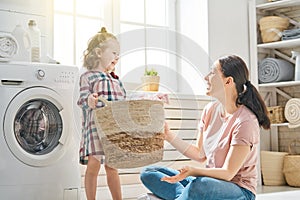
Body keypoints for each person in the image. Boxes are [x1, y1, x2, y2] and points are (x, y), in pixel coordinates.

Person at [139, 55, 270, 200]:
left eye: (212, 72)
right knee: (149, 172)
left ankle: (186, 195)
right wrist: (168, 135)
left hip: (238, 190)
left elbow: (228, 173)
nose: (206, 77)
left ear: (228, 81)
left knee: (199, 185)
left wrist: (193, 171)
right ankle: (184, 196)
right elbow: (200, 154)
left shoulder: (245, 121)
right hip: (209, 184)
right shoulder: (210, 110)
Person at [77, 27, 125, 200]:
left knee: (112, 167)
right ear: (98, 52)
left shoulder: (115, 80)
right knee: (93, 165)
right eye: (114, 52)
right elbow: (82, 99)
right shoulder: (88, 77)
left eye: (118, 54)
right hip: (95, 129)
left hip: (112, 130)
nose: (117, 57)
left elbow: (127, 102)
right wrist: (89, 100)